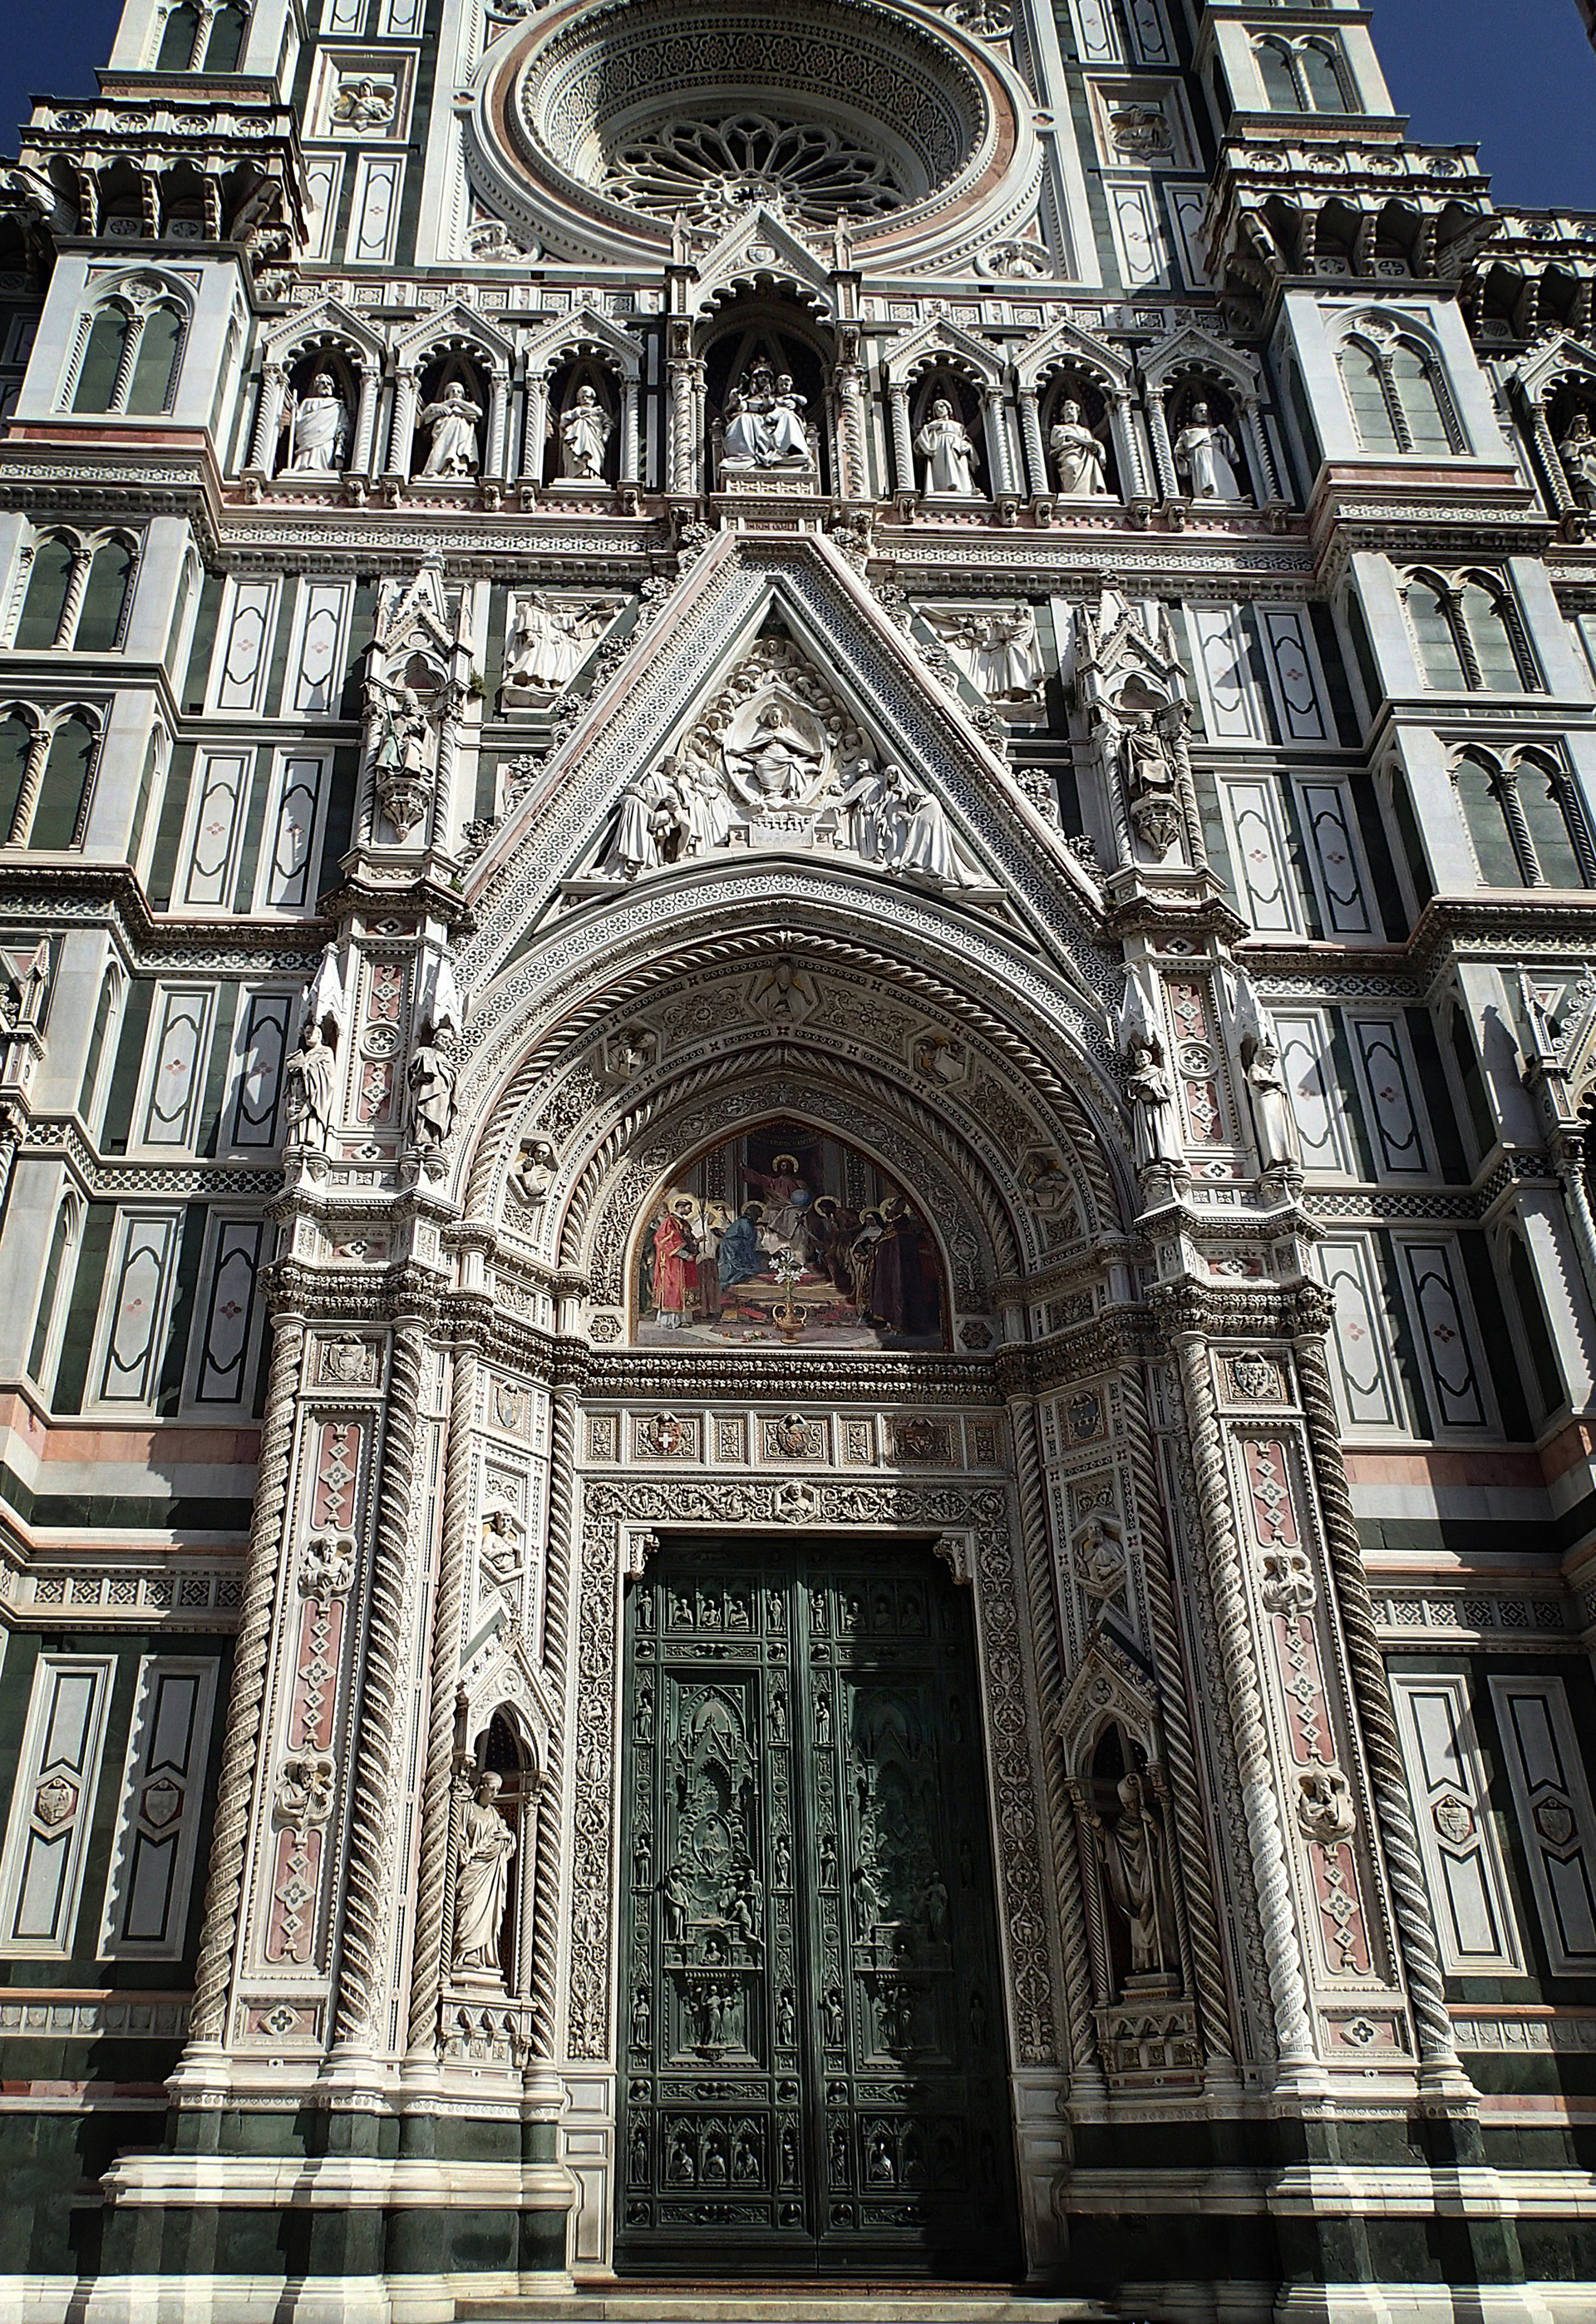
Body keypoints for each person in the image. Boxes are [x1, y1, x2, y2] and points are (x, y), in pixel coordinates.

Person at [451, 1773, 515, 1976]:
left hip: (490, 1873)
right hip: (472, 1871)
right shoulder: (466, 1809)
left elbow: (506, 1842)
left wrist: (509, 1837)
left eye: (498, 1790)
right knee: (468, 1912)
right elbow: (457, 1836)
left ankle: (482, 1955)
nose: (494, 1794)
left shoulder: (495, 1815)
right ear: (482, 1787)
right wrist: (464, 1851)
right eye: (492, 1789)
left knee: (488, 1914)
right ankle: (464, 1953)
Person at [1173, 398, 1245, 501]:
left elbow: (1230, 453)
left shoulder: (1216, 431)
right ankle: (1208, 494)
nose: (1204, 413)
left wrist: (1225, 435)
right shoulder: (1188, 432)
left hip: (1217, 456)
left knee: (1225, 476)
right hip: (1201, 456)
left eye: (1206, 411)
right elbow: (1179, 451)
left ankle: (1232, 496)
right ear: (1194, 415)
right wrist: (1183, 463)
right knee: (1207, 478)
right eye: (1200, 411)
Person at [283, 1019, 336, 1147]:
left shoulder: (325, 1051)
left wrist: (305, 1067)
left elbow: (328, 1074)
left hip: (313, 1093)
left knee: (311, 1114)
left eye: (310, 1033)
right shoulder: (306, 1054)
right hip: (299, 1092)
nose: (307, 1036)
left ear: (319, 1035)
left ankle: (311, 1139)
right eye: (306, 1033)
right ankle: (296, 1140)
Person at [648, 1195, 699, 1325]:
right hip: (673, 1262)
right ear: (681, 1207)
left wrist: (695, 1243)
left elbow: (688, 1238)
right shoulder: (670, 1221)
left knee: (684, 1288)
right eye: (689, 1208)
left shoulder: (683, 1222)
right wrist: (684, 1254)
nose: (691, 1210)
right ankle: (671, 1321)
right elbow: (664, 1241)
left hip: (684, 1263)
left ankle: (683, 1319)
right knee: (673, 1288)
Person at [284, 373, 350, 473]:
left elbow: (343, 423)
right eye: (323, 383)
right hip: (308, 440)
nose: (326, 386)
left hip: (326, 439)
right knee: (305, 460)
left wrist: (341, 434)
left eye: (329, 384)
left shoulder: (337, 405)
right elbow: (297, 422)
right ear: (317, 386)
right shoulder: (307, 403)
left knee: (324, 461)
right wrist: (294, 410)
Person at [417, 378, 483, 477]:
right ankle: (435, 469)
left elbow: (479, 413)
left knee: (457, 421)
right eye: (452, 391)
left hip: (461, 437)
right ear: (447, 395)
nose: (455, 393)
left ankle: (455, 470)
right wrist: (450, 403)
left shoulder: (467, 407)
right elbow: (424, 419)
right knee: (441, 445)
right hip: (443, 435)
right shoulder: (440, 407)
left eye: (459, 392)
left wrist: (458, 403)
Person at [914, 397, 978, 497]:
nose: (939, 410)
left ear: (948, 409)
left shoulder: (958, 426)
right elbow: (920, 442)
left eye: (941, 406)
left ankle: (965, 489)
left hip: (956, 449)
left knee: (960, 469)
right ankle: (942, 489)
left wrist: (965, 445)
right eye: (936, 409)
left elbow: (965, 439)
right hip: (940, 449)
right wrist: (929, 428)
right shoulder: (933, 425)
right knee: (942, 472)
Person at [1049, 398, 1109, 498]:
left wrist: (1102, 452)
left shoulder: (1085, 431)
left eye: (1072, 409)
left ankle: (1091, 493)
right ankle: (1073, 494)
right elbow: (1060, 440)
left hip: (1087, 457)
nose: (1069, 412)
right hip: (1069, 453)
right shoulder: (1059, 428)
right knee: (1072, 467)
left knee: (1092, 471)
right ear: (1063, 415)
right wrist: (1084, 442)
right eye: (1066, 410)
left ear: (1077, 413)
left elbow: (1093, 443)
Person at [559, 382, 613, 481]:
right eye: (582, 397)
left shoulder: (599, 413)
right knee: (581, 423)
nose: (585, 399)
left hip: (594, 439)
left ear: (593, 399)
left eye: (588, 397)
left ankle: (590, 471)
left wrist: (605, 435)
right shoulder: (576, 411)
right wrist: (581, 412)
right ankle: (576, 472)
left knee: (591, 456)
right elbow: (563, 421)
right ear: (578, 400)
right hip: (577, 438)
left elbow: (609, 424)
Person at [717, 1201, 766, 1298]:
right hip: (733, 1247)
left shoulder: (745, 1221)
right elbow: (748, 1240)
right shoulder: (745, 1222)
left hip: (734, 1246)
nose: (758, 1218)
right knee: (740, 1267)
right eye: (758, 1216)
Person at [1559, 409, 1596, 509]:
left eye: (1584, 427)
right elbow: (1572, 451)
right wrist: (1591, 443)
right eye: (1579, 428)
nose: (1582, 431)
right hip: (1581, 478)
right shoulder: (1567, 444)